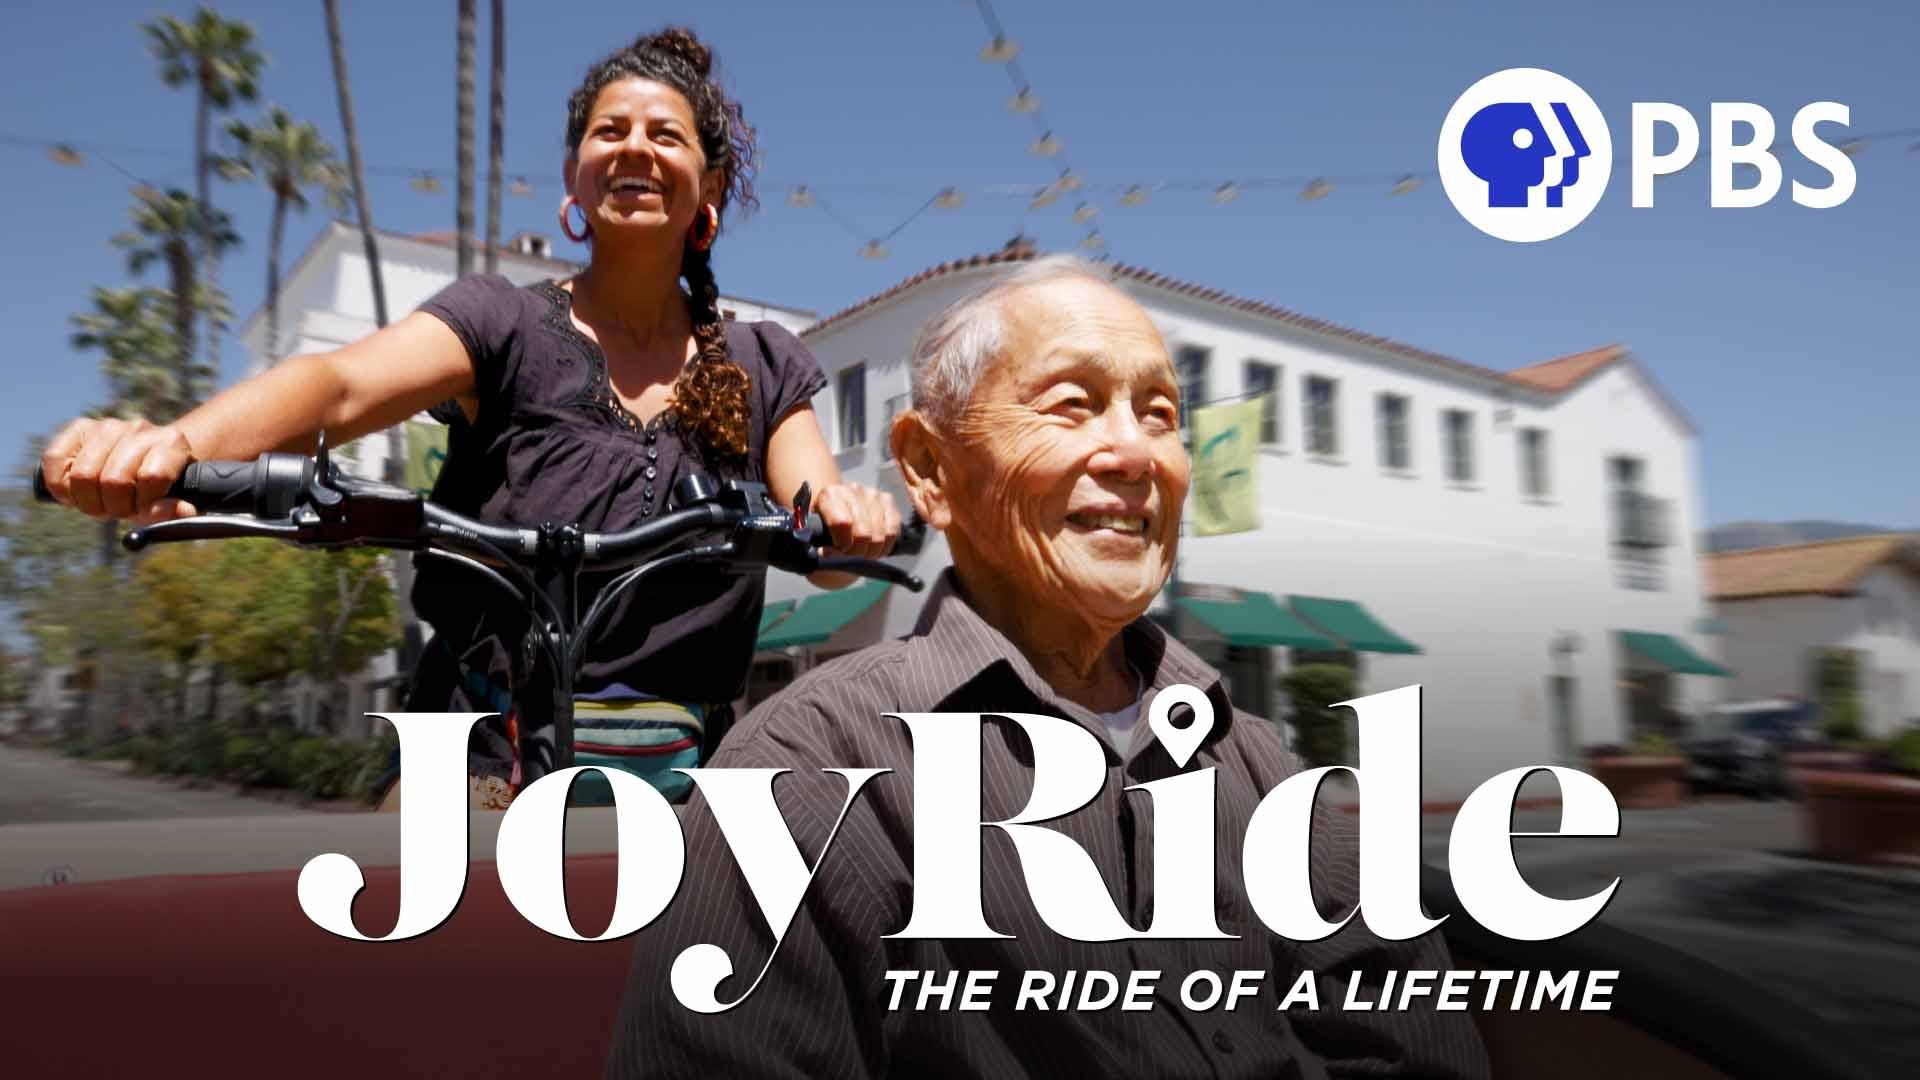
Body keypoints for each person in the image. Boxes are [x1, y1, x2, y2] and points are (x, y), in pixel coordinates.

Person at [605, 256, 1491, 1077]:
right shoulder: (807, 771)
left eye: (1161, 415)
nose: (1138, 456)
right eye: (1071, 404)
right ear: (929, 469)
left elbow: (1416, 1042)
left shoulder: (1260, 768)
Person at [37, 27, 900, 807]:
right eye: (610, 130)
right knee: (423, 968)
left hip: (688, 779)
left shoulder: (760, 360)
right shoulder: (503, 321)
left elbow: (817, 522)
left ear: (709, 183)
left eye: (663, 134)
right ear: (573, 175)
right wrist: (172, 444)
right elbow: (336, 387)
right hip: (479, 764)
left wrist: (847, 519)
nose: (634, 146)